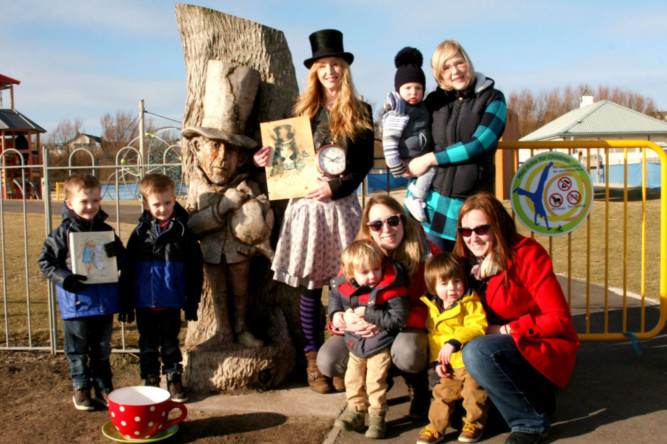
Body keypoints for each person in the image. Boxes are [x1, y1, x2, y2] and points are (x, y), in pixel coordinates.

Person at [253, 29, 374, 393]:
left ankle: (342, 358)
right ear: (315, 72)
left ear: (345, 69)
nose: (330, 71)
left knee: (347, 286)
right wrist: (266, 159)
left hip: (342, 209)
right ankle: (312, 362)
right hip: (306, 208)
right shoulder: (302, 111)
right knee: (310, 288)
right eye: (323, 66)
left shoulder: (361, 110)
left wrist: (334, 186)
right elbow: (289, 159)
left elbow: (364, 163)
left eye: (336, 64)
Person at [455, 192, 579, 444]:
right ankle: (526, 402)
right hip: (497, 346)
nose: (473, 238)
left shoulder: (527, 254)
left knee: (477, 351)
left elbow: (559, 320)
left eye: (481, 229)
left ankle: (531, 423)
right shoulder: (465, 262)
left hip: (536, 343)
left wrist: (504, 330)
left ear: (498, 226)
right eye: (466, 231)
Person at [318, 194, 439, 418]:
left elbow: (440, 308)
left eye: (393, 221)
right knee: (328, 360)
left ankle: (418, 385)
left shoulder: (427, 254)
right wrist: (340, 318)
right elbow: (339, 292)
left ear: (403, 220)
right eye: (377, 224)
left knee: (408, 352)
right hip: (363, 328)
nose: (386, 229)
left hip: (407, 326)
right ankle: (377, 381)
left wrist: (383, 321)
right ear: (368, 228)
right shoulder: (359, 254)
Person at [407, 40, 507, 253]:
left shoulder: (493, 98)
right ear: (438, 74)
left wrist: (430, 159)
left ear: (468, 63)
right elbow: (415, 137)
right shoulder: (433, 101)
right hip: (433, 207)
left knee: (475, 277)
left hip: (473, 207)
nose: (454, 71)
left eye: (459, 63)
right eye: (446, 67)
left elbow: (479, 144)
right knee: (438, 280)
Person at [38, 174, 124, 411]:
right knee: (76, 348)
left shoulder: (106, 229)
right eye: (85, 201)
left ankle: (105, 388)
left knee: (102, 348)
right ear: (70, 204)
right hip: (76, 302)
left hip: (104, 301)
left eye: (95, 200)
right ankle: (81, 388)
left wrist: (119, 251)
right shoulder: (62, 233)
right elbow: (46, 262)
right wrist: (65, 279)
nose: (91, 206)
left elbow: (119, 262)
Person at [119, 173, 203, 402]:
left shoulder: (183, 233)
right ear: (146, 204)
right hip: (144, 300)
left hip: (170, 299)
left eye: (168, 203)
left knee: (170, 344)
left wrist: (192, 300)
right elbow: (128, 270)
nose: (163, 208)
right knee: (147, 344)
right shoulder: (138, 234)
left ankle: (174, 379)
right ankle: (150, 380)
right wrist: (125, 300)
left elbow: (195, 270)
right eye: (156, 204)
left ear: (174, 199)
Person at [330, 240, 408, 439]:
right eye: (365, 272)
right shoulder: (343, 286)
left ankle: (377, 416)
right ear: (351, 274)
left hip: (379, 343)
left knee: (375, 381)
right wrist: (336, 314)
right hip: (355, 343)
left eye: (376, 269)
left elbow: (399, 317)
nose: (372, 276)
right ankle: (356, 410)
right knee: (352, 378)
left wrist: (370, 315)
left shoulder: (390, 288)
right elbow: (335, 299)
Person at [416, 253, 488, 444]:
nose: (452, 288)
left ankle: (474, 424)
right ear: (433, 286)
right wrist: (438, 361)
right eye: (444, 284)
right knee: (442, 395)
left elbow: (477, 325)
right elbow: (434, 337)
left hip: (470, 361)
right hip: (450, 364)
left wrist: (456, 341)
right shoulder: (431, 307)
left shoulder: (469, 301)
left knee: (474, 393)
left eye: (456, 281)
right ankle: (435, 427)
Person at [381, 46, 434, 222]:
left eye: (418, 88)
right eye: (408, 88)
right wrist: (396, 165)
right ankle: (416, 197)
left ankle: (417, 195)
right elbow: (389, 141)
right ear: (398, 90)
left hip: (418, 154)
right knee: (434, 166)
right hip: (408, 159)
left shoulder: (421, 108)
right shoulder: (398, 111)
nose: (413, 92)